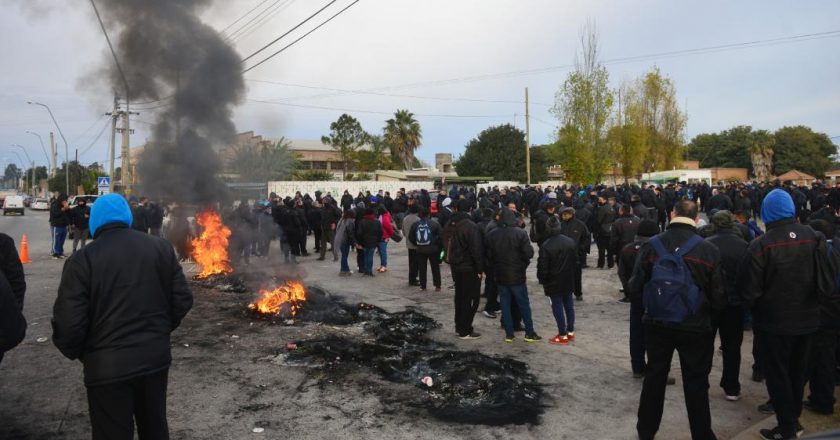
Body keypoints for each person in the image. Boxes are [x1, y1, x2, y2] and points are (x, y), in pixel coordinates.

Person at [52, 193, 193, 440]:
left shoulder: (81, 260)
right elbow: (182, 300)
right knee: (155, 427)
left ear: (96, 221)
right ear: (127, 217)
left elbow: (68, 325)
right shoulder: (159, 248)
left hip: (106, 368)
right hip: (154, 359)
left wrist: (87, 354)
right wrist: (158, 332)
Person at [629, 199, 724, 440]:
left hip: (657, 322)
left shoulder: (652, 245)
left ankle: (646, 431)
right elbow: (719, 295)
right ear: (695, 218)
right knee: (696, 382)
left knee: (654, 378)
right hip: (695, 324)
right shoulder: (708, 249)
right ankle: (702, 434)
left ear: (672, 214)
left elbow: (635, 286)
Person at [743, 189, 834, 440]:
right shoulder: (814, 237)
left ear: (766, 212)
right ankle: (792, 422)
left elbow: (750, 292)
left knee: (778, 376)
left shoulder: (760, 245)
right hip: (809, 319)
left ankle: (787, 428)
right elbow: (825, 282)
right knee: (797, 373)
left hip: (774, 323)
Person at [705, 210, 749, 401]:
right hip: (735, 303)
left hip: (710, 303)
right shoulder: (745, 246)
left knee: (704, 344)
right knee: (732, 346)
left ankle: (701, 382)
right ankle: (731, 386)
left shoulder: (706, 245)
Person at [486, 208, 541, 343]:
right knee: (523, 304)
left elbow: (489, 256)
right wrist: (523, 263)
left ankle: (509, 333)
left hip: (500, 275)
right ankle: (529, 332)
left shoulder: (492, 234)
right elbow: (529, 253)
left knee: (505, 304)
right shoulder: (520, 233)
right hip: (517, 275)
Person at [804, 219, 840, 416]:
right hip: (833, 309)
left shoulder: (819, 253)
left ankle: (822, 399)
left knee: (819, 356)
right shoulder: (835, 247)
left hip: (824, 310)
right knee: (827, 353)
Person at [620, 220, 660, 375]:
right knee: (654, 334)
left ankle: (637, 367)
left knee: (636, 333)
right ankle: (654, 368)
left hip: (635, 297)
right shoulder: (657, 250)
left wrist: (628, 291)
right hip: (652, 297)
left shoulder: (627, 249)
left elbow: (622, 273)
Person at [442, 199, 484, 339]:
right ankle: (465, 329)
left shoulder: (450, 223)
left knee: (459, 297)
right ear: (470, 209)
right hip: (468, 267)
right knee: (471, 299)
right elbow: (476, 249)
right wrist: (480, 269)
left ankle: (459, 326)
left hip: (455, 265)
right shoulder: (470, 226)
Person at [537, 216, 577, 344]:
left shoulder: (546, 245)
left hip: (553, 281)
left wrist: (542, 279)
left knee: (557, 306)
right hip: (568, 279)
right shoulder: (570, 241)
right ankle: (570, 331)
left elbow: (543, 266)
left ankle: (562, 334)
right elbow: (576, 261)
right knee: (569, 305)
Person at [558, 207, 590, 301]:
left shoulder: (580, 224)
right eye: (563, 214)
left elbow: (586, 237)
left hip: (576, 255)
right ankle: (565, 292)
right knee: (563, 275)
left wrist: (581, 248)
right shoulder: (561, 225)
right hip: (563, 255)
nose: (563, 216)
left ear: (571, 214)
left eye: (565, 214)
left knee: (576, 275)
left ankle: (578, 293)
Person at [409, 207, 442, 291]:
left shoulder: (415, 224)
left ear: (420, 215)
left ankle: (423, 286)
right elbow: (441, 236)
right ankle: (437, 286)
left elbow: (410, 237)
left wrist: (417, 243)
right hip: (433, 249)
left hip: (420, 249)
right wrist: (437, 245)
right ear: (429, 214)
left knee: (422, 268)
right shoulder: (435, 224)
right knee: (435, 267)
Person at [356, 207, 382, 276]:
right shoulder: (377, 221)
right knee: (370, 256)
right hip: (373, 242)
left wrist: (360, 242)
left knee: (365, 256)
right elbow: (380, 232)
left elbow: (359, 233)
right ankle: (369, 270)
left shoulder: (362, 221)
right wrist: (378, 241)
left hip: (364, 242)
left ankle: (366, 270)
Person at [593, 195, 616, 269]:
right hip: (610, 229)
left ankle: (601, 264)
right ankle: (610, 264)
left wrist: (595, 231)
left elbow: (598, 220)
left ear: (605, 200)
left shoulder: (602, 209)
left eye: (600, 199)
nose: (599, 201)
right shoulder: (611, 208)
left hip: (602, 231)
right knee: (609, 249)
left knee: (601, 249)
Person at [402, 205, 421, 286]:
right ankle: (413, 279)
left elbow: (403, 232)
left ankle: (411, 278)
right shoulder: (418, 219)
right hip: (417, 244)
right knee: (416, 263)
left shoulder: (405, 218)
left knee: (411, 262)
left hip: (409, 244)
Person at [334, 210, 357, 276]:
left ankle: (346, 269)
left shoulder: (342, 220)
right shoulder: (350, 222)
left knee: (344, 255)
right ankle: (343, 271)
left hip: (339, 239)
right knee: (344, 256)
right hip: (344, 241)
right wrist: (354, 243)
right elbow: (350, 233)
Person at [49, 194, 71, 258]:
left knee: (62, 240)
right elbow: (55, 214)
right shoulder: (55, 205)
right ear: (61, 199)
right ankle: (55, 253)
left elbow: (68, 214)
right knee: (56, 240)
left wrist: (68, 209)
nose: (65, 202)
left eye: (66, 200)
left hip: (64, 225)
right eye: (64, 200)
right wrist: (62, 209)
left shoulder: (65, 205)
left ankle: (60, 252)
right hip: (56, 225)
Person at [377, 206, 394, 273]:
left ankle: (384, 265)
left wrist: (390, 234)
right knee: (381, 251)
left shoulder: (385, 217)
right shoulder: (383, 216)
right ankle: (382, 265)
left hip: (384, 236)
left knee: (383, 251)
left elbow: (388, 226)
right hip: (381, 236)